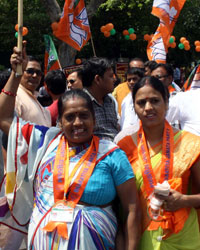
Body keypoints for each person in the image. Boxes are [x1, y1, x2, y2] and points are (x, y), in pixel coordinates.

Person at [0, 45, 141, 249]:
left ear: (94, 118)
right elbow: (3, 116)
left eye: (84, 115)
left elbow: (131, 209)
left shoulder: (112, 154)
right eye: (70, 117)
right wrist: (16, 73)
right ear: (60, 121)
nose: (77, 123)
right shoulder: (45, 141)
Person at [115, 76, 200, 250]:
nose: (148, 108)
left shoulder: (191, 144)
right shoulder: (124, 147)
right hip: (140, 237)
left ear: (166, 103)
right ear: (134, 108)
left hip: (183, 238)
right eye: (141, 103)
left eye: (155, 101)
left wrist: (185, 200)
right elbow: (119, 204)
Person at [82, 57, 119, 141]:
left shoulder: (110, 101)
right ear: (98, 79)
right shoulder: (79, 102)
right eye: (110, 76)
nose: (115, 79)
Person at [15, 55, 51, 126]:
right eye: (30, 71)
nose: (35, 75)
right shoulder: (15, 97)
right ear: (20, 72)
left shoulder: (38, 101)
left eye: (38, 73)